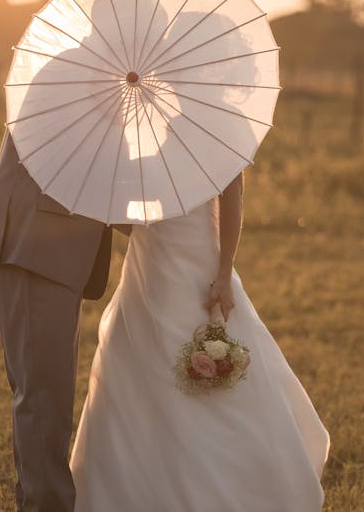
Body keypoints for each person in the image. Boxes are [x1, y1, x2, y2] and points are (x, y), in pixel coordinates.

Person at [69, 170, 331, 511]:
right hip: (147, 271)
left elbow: (232, 197)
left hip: (199, 268)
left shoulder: (211, 133)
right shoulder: (141, 144)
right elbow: (128, 220)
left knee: (217, 380)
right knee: (135, 372)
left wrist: (224, 273)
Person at [0, 126, 129, 512]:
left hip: (51, 252)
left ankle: (38, 501)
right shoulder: (66, 78)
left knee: (47, 397)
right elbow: (90, 168)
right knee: (42, 399)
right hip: (34, 246)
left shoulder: (95, 79)